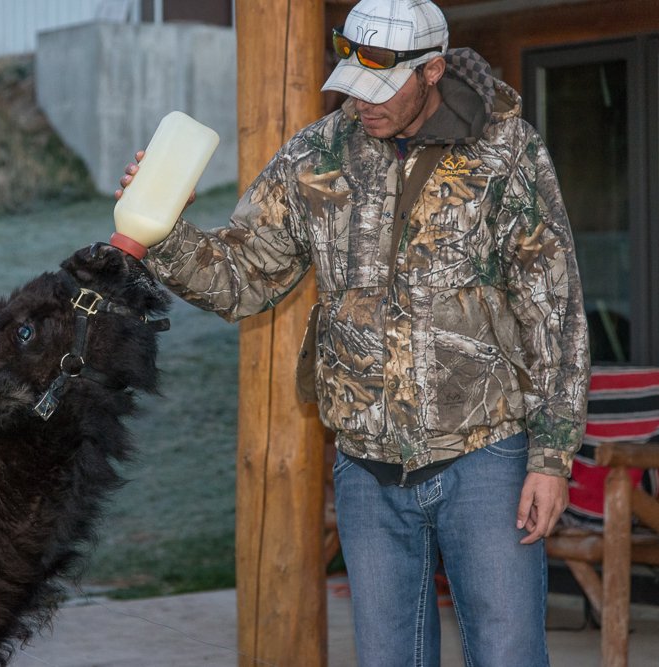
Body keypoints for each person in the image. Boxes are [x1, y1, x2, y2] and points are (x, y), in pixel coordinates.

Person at [115, 0, 590, 664]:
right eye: (353, 84)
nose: (361, 101)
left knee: (507, 653)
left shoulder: (507, 150)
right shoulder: (317, 154)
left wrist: (551, 457)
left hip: (487, 456)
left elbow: (554, 307)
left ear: (432, 71)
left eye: (380, 86)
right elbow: (242, 276)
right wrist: (164, 228)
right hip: (366, 468)